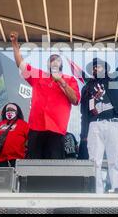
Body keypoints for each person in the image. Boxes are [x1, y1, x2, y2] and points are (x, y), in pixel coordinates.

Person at [80, 27, 118, 193]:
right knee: (94, 161)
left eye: (100, 66)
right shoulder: (87, 87)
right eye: (94, 68)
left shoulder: (113, 79)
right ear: (92, 71)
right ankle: (97, 193)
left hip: (113, 123)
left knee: (114, 160)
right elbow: (84, 113)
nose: (97, 69)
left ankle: (116, 190)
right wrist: (83, 135)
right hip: (94, 125)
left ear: (105, 68)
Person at [10, 31, 80, 159]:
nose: (54, 62)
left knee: (54, 165)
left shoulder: (69, 79)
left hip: (57, 128)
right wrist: (15, 45)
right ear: (47, 64)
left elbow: (75, 99)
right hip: (36, 126)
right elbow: (21, 65)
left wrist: (61, 82)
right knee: (34, 163)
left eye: (57, 60)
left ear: (61, 65)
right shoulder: (38, 75)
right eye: (51, 60)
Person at [0, 103, 29, 167]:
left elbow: (29, 139)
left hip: (18, 159)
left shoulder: (24, 124)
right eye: (8, 110)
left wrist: (25, 148)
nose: (9, 111)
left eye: (12, 110)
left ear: (17, 112)